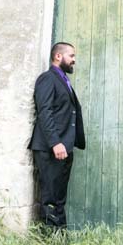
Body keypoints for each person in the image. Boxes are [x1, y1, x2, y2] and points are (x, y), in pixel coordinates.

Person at [28, 41, 85, 229]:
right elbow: (45, 112)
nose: (74, 60)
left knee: (59, 198)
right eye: (72, 56)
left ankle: (60, 238)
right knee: (50, 197)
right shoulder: (47, 78)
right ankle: (50, 241)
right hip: (51, 148)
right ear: (58, 56)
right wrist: (55, 143)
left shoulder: (63, 80)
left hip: (63, 148)